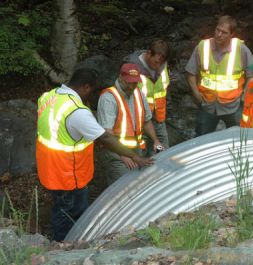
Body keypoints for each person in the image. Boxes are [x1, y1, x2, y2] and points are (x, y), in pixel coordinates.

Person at [36, 68, 154, 241]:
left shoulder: (49, 96)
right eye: (91, 91)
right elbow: (105, 137)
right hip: (68, 173)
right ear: (86, 87)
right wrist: (135, 157)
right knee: (68, 213)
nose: (91, 96)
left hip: (50, 167)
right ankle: (65, 246)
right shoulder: (77, 111)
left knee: (62, 208)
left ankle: (66, 242)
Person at [185, 15, 253, 136]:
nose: (219, 35)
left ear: (231, 35)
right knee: (201, 138)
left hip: (233, 105)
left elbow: (252, 75)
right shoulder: (202, 47)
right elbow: (191, 72)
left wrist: (245, 96)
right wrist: (196, 92)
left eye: (224, 32)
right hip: (207, 104)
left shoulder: (240, 49)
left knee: (240, 138)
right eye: (218, 30)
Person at [97, 63, 162, 185]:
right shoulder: (109, 98)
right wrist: (123, 155)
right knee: (123, 186)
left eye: (135, 82)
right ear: (121, 77)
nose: (132, 86)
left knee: (139, 183)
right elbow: (107, 134)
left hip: (135, 151)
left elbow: (147, 121)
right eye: (129, 82)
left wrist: (156, 141)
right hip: (115, 152)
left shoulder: (138, 93)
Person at [123, 39, 170, 156]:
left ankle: (161, 173)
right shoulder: (132, 68)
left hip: (158, 120)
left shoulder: (162, 65)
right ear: (149, 53)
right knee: (140, 156)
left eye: (161, 63)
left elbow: (162, 92)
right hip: (139, 123)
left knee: (163, 151)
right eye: (155, 62)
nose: (158, 65)